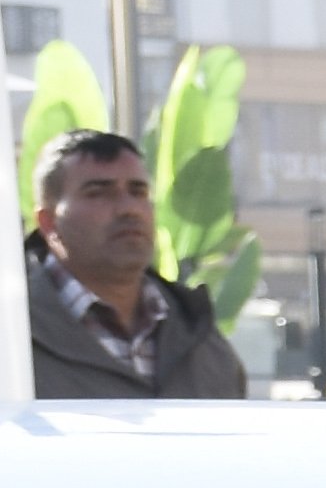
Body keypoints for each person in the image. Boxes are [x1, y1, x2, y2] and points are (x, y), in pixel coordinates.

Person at [21, 130, 251, 400]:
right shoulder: (9, 340)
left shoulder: (201, 341)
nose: (128, 208)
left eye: (138, 192)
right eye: (98, 193)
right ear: (49, 222)